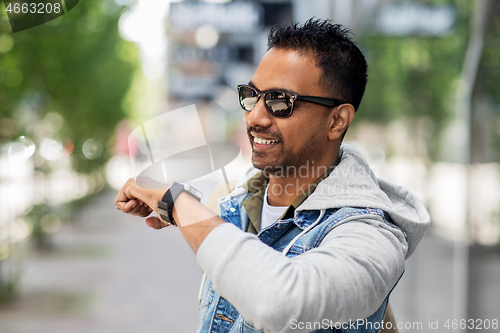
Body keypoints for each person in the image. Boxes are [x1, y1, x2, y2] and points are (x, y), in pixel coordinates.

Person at [115, 19, 430, 333]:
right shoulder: (238, 203)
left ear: (337, 120)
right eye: (252, 95)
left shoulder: (370, 235)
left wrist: (178, 203)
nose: (254, 117)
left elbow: (281, 302)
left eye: (280, 102)